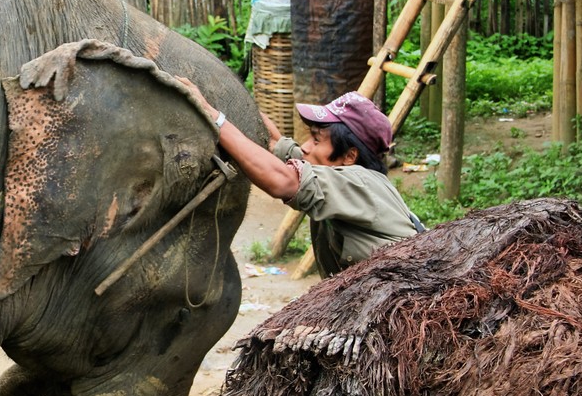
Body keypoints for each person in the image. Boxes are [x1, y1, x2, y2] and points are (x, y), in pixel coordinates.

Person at [177, 78, 421, 278]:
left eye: (316, 140)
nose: (304, 148)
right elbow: (272, 142)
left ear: (349, 156)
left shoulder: (360, 182)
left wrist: (215, 118)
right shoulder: (329, 165)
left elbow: (282, 181)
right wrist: (224, 100)